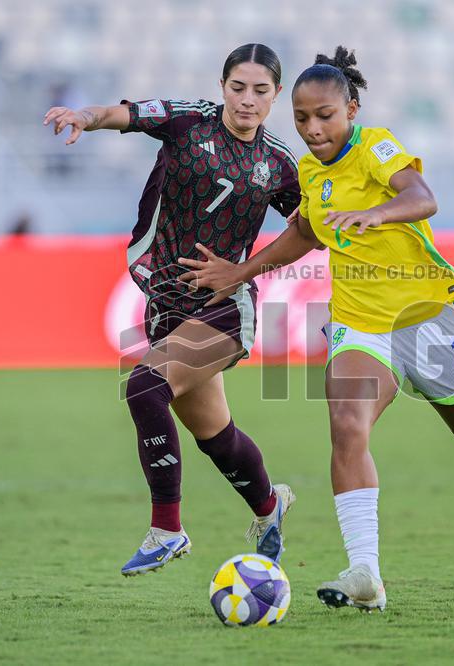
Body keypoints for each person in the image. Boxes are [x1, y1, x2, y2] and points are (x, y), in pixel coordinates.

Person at [178, 46, 454, 611]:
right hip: (359, 324)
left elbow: (423, 198)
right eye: (302, 118)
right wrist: (242, 270)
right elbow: (305, 233)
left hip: (425, 318)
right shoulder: (310, 171)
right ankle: (366, 575)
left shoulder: (376, 146)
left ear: (351, 108)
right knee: (347, 422)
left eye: (324, 115)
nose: (312, 128)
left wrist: (374, 214)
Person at [43, 44, 301, 576]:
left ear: (276, 96)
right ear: (222, 86)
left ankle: (168, 530)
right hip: (164, 302)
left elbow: (309, 229)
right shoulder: (188, 122)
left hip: (225, 307)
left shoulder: (277, 164)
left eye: (260, 91)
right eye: (237, 87)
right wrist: (84, 117)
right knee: (217, 438)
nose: (247, 101)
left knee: (143, 387)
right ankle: (271, 509)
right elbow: (124, 114)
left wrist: (245, 272)